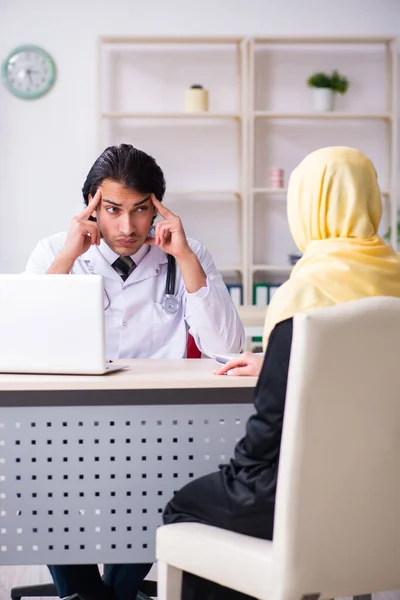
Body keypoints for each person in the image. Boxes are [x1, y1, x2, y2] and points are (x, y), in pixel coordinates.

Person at [161, 146, 400, 600]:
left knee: (187, 506)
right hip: (384, 498)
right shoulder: (395, 281)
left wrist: (238, 474)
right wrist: (275, 360)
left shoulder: (306, 292)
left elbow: (267, 438)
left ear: (306, 205)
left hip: (301, 499)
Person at [24, 144, 244, 600]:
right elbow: (23, 343)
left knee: (153, 482)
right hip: (69, 426)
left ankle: (101, 597)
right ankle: (94, 595)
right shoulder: (53, 252)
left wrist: (186, 261)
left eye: (141, 210)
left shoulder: (186, 253)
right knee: (39, 478)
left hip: (156, 427)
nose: (127, 227)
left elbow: (227, 347)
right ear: (90, 207)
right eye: (112, 210)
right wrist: (67, 257)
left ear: (158, 209)